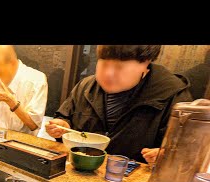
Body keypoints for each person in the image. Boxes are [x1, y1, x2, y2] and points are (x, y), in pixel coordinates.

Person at [46, 45, 193, 163]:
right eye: (104, 64)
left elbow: (185, 153)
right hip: (83, 173)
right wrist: (62, 127)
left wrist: (165, 157)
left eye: (119, 67)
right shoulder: (86, 86)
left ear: (146, 64)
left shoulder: (172, 96)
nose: (109, 73)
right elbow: (65, 119)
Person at [0, 45, 48, 135]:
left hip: (20, 144)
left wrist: (9, 99)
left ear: (11, 63)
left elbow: (33, 125)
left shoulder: (36, 80)